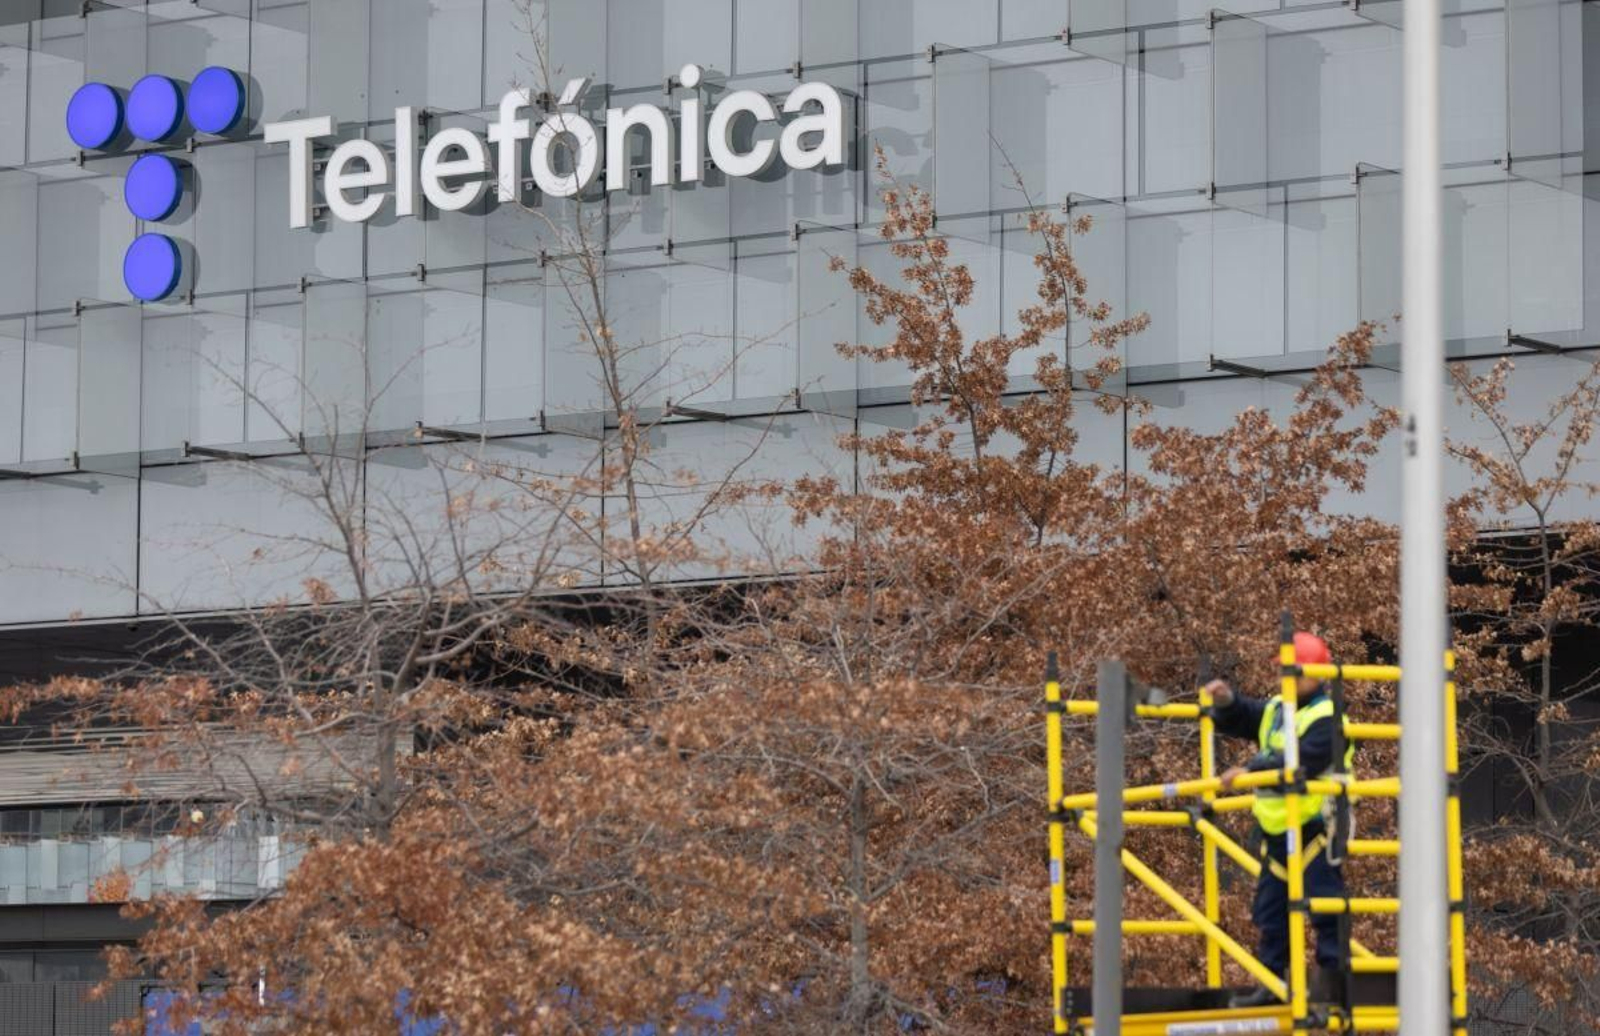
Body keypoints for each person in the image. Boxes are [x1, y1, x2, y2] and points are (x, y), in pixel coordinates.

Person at [1202, 631, 1354, 1009]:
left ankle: (1333, 985)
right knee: (1271, 914)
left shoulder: (1327, 716)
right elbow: (1245, 716)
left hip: (1317, 827)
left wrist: (1250, 768)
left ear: (1316, 675)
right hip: (1277, 831)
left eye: (1293, 674)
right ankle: (1272, 984)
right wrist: (1227, 701)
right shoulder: (1276, 710)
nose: (1285, 681)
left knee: (1324, 907)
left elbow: (1305, 758)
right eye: (1282, 673)